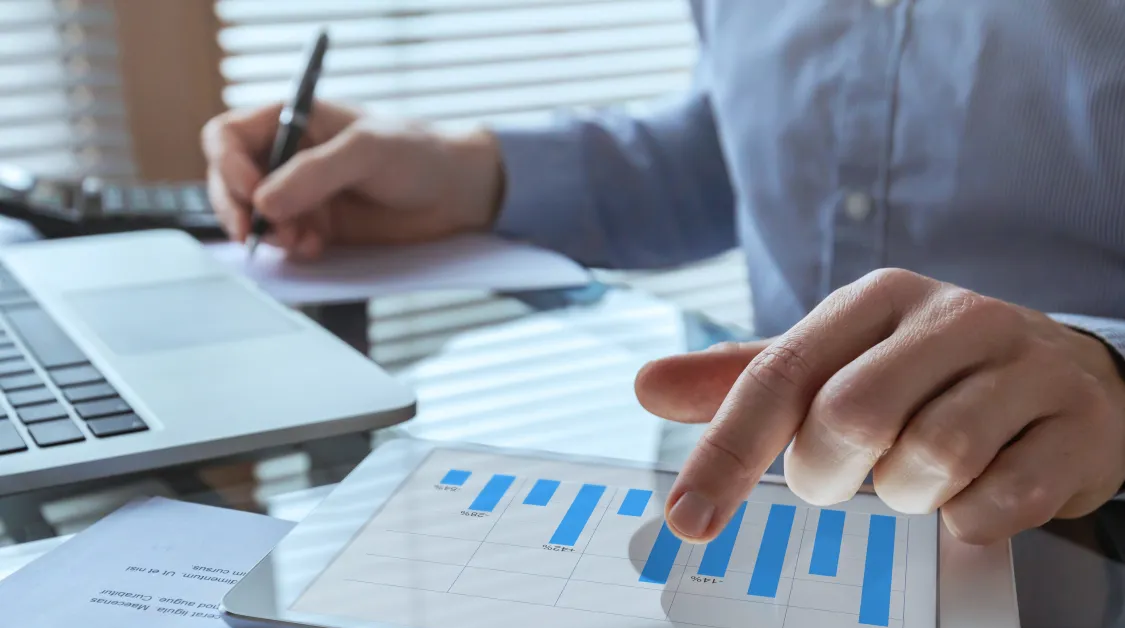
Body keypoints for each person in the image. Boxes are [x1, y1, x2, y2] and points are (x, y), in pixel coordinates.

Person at [202, 1, 1125, 548]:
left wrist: (1105, 374)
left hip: (1076, 546)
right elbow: (731, 150)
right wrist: (461, 174)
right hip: (787, 521)